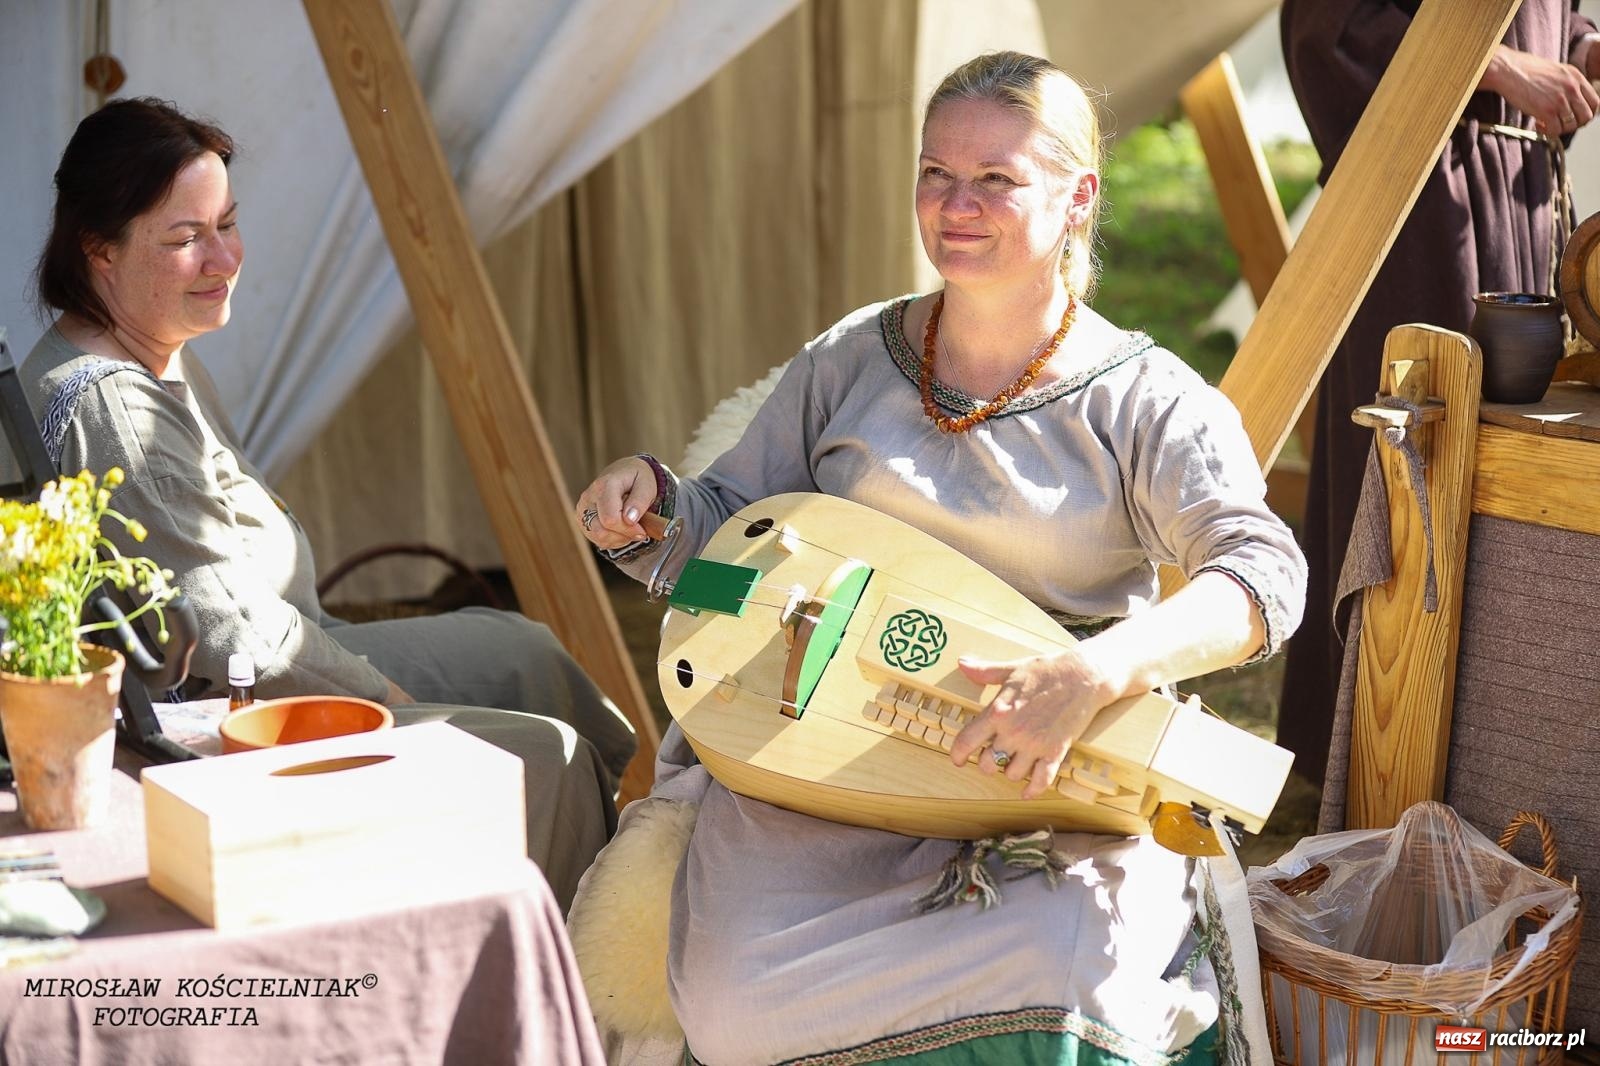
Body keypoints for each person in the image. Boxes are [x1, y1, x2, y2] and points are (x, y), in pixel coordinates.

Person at [576, 52, 1306, 1064]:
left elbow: (1261, 576)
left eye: (995, 179)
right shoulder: (851, 359)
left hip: (1048, 779)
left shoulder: (1147, 399)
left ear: (1078, 197)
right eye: (936, 173)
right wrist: (651, 515)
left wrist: (1091, 673)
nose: (955, 206)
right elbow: (729, 552)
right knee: (738, 1005)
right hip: (819, 773)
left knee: (1067, 976)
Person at [23, 97, 635, 910]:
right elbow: (236, 636)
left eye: (227, 223)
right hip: (229, 715)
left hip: (291, 654)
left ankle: (627, 872)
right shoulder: (114, 408)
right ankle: (560, 960)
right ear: (99, 249)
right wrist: (384, 698)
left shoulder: (155, 352)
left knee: (525, 653)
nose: (222, 258)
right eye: (184, 238)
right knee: (545, 755)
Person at [1278, 0, 1600, 786]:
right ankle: (1377, 751)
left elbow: (1552, 17)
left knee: (1508, 459)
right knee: (1414, 453)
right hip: (1421, 199)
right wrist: (1498, 67)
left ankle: (1486, 752)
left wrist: (1583, 49)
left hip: (1521, 192)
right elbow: (1329, 25)